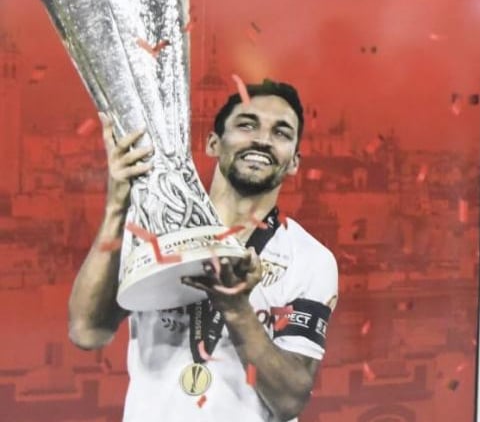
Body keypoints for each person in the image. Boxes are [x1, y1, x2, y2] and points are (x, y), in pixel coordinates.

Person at [68, 79, 338, 421]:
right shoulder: (156, 225)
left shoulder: (310, 258)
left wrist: (237, 310)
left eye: (281, 133)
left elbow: (289, 400)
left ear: (295, 161)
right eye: (247, 125)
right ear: (213, 143)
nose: (263, 139)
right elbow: (87, 331)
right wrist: (117, 206)